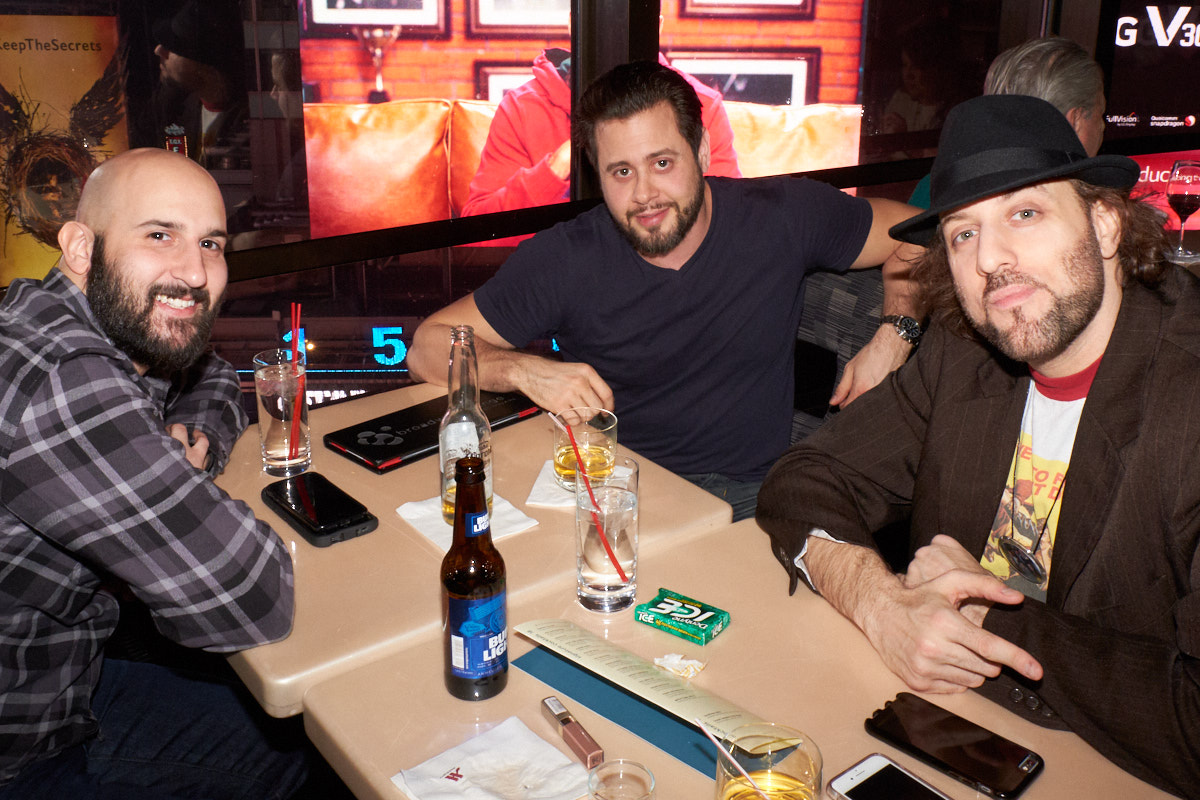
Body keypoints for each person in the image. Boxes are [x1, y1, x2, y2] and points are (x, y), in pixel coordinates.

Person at [756, 94, 1197, 797]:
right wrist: (880, 603)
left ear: (1105, 223)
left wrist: (986, 616)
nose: (990, 259)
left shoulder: (1186, 400)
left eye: (1025, 214)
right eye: (963, 234)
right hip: (953, 725)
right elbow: (805, 477)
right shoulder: (964, 352)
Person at [409, 61, 922, 521]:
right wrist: (523, 370)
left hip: (751, 498)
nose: (644, 195)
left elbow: (922, 235)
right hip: (620, 491)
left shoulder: (782, 215)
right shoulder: (567, 257)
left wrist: (895, 334)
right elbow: (427, 348)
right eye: (622, 172)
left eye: (662, 163)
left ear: (701, 151)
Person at [0, 148, 306, 798]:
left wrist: (190, 441)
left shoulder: (60, 321)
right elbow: (250, 597)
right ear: (81, 248)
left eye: (211, 244)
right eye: (159, 235)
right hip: (22, 742)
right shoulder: (63, 383)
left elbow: (212, 374)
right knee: (296, 747)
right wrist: (174, 474)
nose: (194, 273)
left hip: (67, 679)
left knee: (283, 740)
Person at [461, 49, 741, 218]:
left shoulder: (703, 106)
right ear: (574, 22)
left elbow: (730, 224)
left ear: (655, 24)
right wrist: (553, 171)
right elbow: (476, 239)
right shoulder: (520, 108)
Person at [909, 35, 1106, 209]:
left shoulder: (934, 186)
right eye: (1101, 114)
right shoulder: (1084, 208)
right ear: (1075, 121)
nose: (1103, 126)